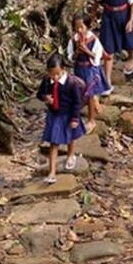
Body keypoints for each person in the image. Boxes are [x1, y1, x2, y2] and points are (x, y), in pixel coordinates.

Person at [36, 55, 85, 183]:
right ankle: (52, 172)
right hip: (55, 115)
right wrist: (46, 98)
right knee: (54, 142)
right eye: (52, 74)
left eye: (57, 74)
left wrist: (75, 118)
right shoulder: (47, 81)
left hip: (68, 114)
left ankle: (70, 155)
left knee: (70, 137)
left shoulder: (71, 83)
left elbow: (76, 102)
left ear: (63, 69)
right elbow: (39, 94)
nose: (55, 77)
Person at [67, 13, 109, 133]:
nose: (79, 30)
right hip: (78, 69)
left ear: (88, 27)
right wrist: (77, 52)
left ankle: (91, 120)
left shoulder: (93, 40)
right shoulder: (73, 40)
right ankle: (76, 116)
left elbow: (97, 57)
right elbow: (70, 56)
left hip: (90, 69)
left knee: (90, 93)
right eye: (76, 27)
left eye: (82, 27)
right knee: (78, 92)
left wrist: (86, 50)